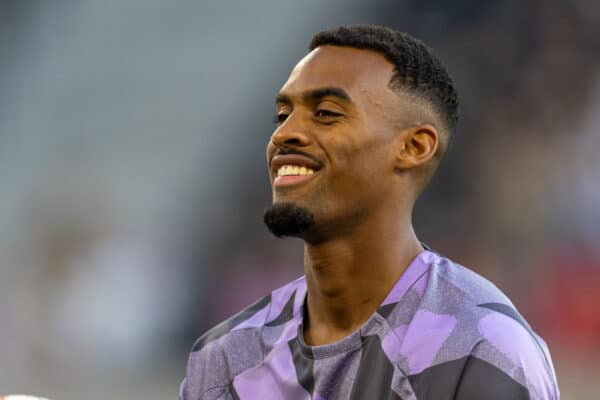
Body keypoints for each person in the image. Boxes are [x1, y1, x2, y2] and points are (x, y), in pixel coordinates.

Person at [180, 24, 559, 399]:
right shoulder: (226, 360)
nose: (284, 134)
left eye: (326, 113)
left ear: (413, 146)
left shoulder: (479, 351)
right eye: (282, 115)